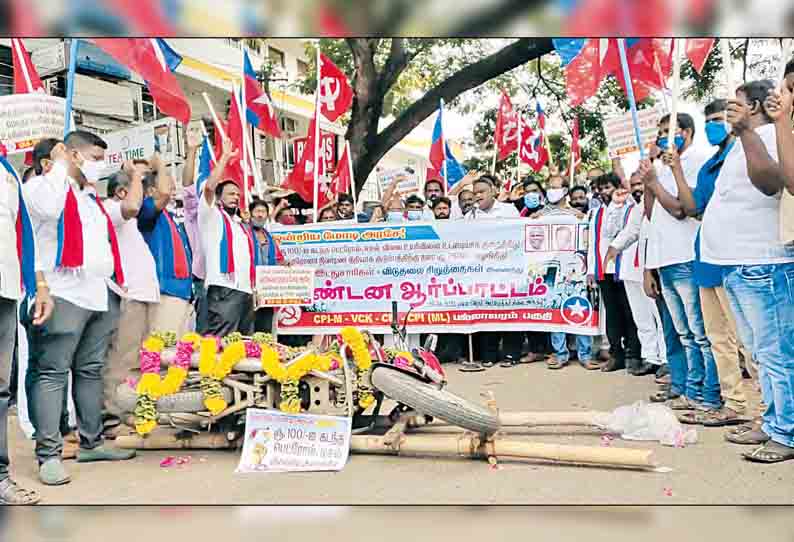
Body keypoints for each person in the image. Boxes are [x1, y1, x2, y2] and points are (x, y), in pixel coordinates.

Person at [24, 133, 136, 487]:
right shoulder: (43, 187)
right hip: (60, 292)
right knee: (52, 371)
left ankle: (91, 441)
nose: (101, 163)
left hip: (97, 293)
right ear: (71, 155)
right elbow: (48, 210)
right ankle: (49, 455)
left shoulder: (89, 198)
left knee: (89, 370)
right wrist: (58, 164)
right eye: (94, 156)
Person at [698, 79, 794, 463]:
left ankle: (786, 432)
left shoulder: (770, 133)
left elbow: (771, 183)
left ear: (753, 107)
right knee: (757, 352)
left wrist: (748, 132)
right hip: (736, 263)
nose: (728, 113)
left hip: (763, 262)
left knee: (776, 354)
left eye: (735, 105)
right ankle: (771, 422)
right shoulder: (743, 140)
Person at [646, 98, 753, 427]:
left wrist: (667, 177)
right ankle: (719, 400)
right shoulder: (704, 164)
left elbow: (682, 209)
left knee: (743, 341)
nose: (714, 125)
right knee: (706, 335)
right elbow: (679, 209)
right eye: (711, 119)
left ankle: (756, 411)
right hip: (700, 254)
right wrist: (663, 175)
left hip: (726, 258)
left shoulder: (716, 158)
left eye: (719, 118)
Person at [640, 112, 719, 415]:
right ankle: (691, 388)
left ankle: (708, 393)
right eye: (660, 132)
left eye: (667, 131)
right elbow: (650, 213)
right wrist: (649, 178)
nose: (662, 137)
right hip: (665, 259)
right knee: (684, 332)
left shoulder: (696, 161)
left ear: (685, 132)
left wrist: (658, 181)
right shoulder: (661, 166)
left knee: (700, 332)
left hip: (686, 255)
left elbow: (680, 210)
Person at [0, 151, 53, 504]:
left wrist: (40, 285)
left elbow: (22, 233)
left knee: (0, 391)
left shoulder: (6, 171)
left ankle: (0, 478)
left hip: (5, 287)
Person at [103, 160, 162, 437]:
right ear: (121, 192)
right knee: (121, 359)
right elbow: (133, 207)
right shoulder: (112, 208)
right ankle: (111, 417)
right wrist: (136, 174)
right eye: (137, 187)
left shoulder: (129, 219)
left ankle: (131, 410)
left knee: (139, 359)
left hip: (144, 295)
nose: (144, 192)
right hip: (130, 294)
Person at [604, 169, 663, 376]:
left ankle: (665, 359)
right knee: (642, 318)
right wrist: (614, 248)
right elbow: (627, 231)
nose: (638, 188)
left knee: (659, 316)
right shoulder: (630, 207)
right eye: (634, 184)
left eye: (641, 183)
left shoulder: (661, 203)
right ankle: (650, 357)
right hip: (630, 270)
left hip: (652, 270)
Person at [462, 176, 522, 369]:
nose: (478, 195)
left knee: (509, 312)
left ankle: (511, 353)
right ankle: (489, 354)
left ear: (493, 192)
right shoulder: (470, 215)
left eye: (482, 191)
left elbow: (517, 235)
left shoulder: (508, 210)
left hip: (508, 270)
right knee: (488, 312)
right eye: (475, 192)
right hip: (483, 273)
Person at [198, 138, 256, 336]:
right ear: (219, 197)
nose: (235, 197)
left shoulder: (239, 224)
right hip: (224, 287)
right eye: (230, 193)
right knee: (220, 342)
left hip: (245, 289)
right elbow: (208, 188)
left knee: (241, 345)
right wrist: (224, 157)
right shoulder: (211, 215)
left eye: (238, 195)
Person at [587, 172, 642, 372]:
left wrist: (618, 204)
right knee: (612, 313)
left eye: (608, 187)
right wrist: (592, 268)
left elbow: (617, 229)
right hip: (605, 269)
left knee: (630, 312)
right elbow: (593, 240)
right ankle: (615, 354)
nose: (603, 192)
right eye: (600, 189)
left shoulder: (630, 208)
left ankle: (634, 354)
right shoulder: (595, 212)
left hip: (625, 267)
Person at [137, 160, 194, 339]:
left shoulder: (170, 217)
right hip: (164, 291)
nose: (171, 187)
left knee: (178, 354)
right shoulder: (146, 210)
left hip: (183, 292)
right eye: (167, 181)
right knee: (162, 353)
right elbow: (163, 194)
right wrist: (160, 164)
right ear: (151, 191)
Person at [181, 129, 209, 337]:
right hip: (204, 280)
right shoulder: (196, 212)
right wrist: (191, 151)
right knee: (205, 334)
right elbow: (188, 186)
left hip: (231, 285)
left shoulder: (232, 220)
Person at [248, 199, 285, 335]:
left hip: (267, 291)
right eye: (257, 211)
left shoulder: (269, 237)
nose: (260, 215)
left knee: (265, 330)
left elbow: (279, 259)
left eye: (263, 212)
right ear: (250, 214)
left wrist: (287, 266)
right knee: (249, 329)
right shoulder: (243, 234)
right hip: (249, 289)